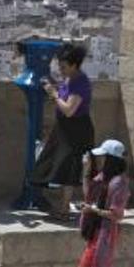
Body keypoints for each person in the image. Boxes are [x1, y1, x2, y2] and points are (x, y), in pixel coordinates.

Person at [68, 139, 130, 267]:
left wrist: (94, 210)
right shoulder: (105, 177)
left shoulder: (118, 183)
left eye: (104, 156)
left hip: (104, 234)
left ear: (111, 159)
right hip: (98, 231)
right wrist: (87, 170)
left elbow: (117, 214)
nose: (100, 158)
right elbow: (89, 192)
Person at [31, 44, 94, 220]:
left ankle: (64, 209)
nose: (60, 69)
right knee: (50, 162)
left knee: (70, 168)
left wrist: (54, 94)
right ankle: (56, 204)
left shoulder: (80, 82)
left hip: (76, 129)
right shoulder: (69, 79)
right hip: (63, 129)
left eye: (63, 66)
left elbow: (69, 110)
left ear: (74, 65)